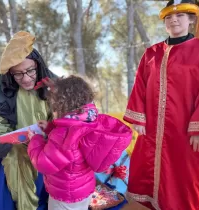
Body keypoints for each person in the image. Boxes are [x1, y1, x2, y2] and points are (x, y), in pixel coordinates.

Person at [123, 1, 199, 209]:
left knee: (184, 178)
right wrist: (138, 118)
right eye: (169, 17)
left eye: (180, 15)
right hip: (151, 129)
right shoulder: (152, 53)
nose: (173, 19)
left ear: (191, 20)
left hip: (186, 130)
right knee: (145, 174)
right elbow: (140, 85)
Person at [27, 75, 132, 210]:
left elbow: (43, 163)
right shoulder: (87, 120)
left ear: (61, 106)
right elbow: (71, 144)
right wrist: (49, 128)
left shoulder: (64, 134)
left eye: (54, 106)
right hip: (83, 189)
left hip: (65, 195)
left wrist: (35, 140)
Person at [0, 31, 56, 210]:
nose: (26, 78)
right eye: (18, 74)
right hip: (12, 143)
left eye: (30, 71)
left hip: (49, 138)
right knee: (15, 160)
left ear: (38, 65)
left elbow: (66, 115)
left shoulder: (55, 83)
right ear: (9, 73)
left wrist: (52, 132)